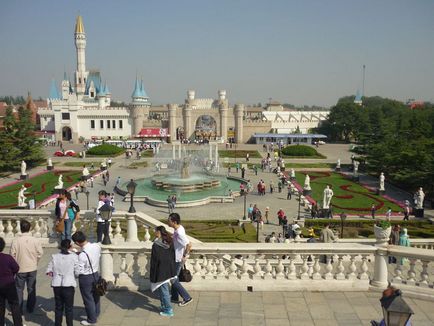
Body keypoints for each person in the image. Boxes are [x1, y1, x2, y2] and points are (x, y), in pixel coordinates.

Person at [10, 219, 43, 315]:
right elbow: (40, 253)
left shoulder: (16, 241)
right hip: (32, 267)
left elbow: (12, 255)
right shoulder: (35, 240)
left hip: (20, 268)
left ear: (21, 229)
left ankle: (18, 309)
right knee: (31, 289)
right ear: (30, 228)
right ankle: (30, 307)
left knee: (19, 289)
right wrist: (35, 261)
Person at [46, 239, 80, 326]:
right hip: (68, 285)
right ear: (70, 247)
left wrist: (55, 274)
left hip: (57, 284)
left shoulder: (55, 256)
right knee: (69, 309)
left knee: (58, 307)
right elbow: (77, 272)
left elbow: (49, 270)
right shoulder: (74, 257)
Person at [72, 231, 101, 326]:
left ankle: (91, 320)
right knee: (96, 296)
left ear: (77, 242)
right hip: (95, 274)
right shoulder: (96, 246)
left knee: (88, 299)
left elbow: (79, 271)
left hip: (86, 278)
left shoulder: (82, 256)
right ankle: (96, 313)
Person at [150, 226, 177, 317]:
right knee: (163, 289)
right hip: (169, 268)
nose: (154, 232)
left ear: (158, 232)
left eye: (155, 231)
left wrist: (153, 273)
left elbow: (154, 259)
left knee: (164, 290)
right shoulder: (169, 241)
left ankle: (168, 310)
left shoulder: (156, 244)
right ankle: (164, 306)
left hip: (161, 269)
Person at [167, 213, 193, 307]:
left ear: (174, 222)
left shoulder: (179, 232)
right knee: (175, 277)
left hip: (178, 259)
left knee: (173, 279)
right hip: (176, 257)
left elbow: (189, 244)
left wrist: (185, 255)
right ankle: (174, 297)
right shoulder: (178, 229)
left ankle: (187, 297)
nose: (167, 221)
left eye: (169, 220)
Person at [0, 237, 23, 326]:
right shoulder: (8, 257)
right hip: (9, 284)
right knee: (14, 305)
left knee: (0, 306)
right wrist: (10, 274)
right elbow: (16, 268)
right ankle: (18, 324)